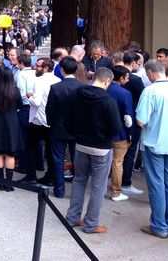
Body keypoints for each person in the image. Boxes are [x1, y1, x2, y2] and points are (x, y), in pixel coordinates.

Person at [65, 67, 122, 234]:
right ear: (107, 81)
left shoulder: (77, 94)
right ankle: (91, 223)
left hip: (81, 144)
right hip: (101, 148)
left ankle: (72, 217)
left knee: (79, 180)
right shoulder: (108, 100)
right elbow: (116, 127)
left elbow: (69, 118)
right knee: (98, 186)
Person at [135, 60, 168, 239]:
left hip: (154, 143)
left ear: (151, 73)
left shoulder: (150, 91)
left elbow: (140, 120)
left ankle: (159, 225)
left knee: (156, 184)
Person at [46, 56, 82, 198]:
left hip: (58, 127)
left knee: (58, 159)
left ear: (62, 70)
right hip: (77, 128)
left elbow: (49, 109)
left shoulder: (56, 88)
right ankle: (77, 191)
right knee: (77, 160)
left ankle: (59, 189)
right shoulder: (82, 87)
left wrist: (50, 122)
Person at [23, 58, 59, 186]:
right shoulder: (57, 80)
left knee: (31, 148)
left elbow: (36, 102)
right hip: (51, 120)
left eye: (38, 66)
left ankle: (31, 176)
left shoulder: (39, 81)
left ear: (45, 68)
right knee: (50, 150)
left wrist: (29, 96)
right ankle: (50, 176)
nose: (35, 68)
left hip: (38, 119)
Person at [106, 66, 135, 202]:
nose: (128, 79)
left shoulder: (105, 89)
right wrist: (130, 134)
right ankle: (116, 192)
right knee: (118, 162)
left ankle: (102, 188)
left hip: (103, 131)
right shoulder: (125, 93)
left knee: (104, 162)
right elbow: (128, 118)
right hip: (120, 133)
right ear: (122, 78)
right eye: (127, 77)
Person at [121, 51, 146, 196]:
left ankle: (118, 179)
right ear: (134, 63)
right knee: (130, 152)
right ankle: (125, 182)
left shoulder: (114, 74)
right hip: (133, 118)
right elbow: (143, 98)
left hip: (119, 117)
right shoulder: (135, 80)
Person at [15, 53, 36, 175]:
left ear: (21, 63)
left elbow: (20, 92)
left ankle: (23, 165)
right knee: (32, 137)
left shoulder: (21, 74)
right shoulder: (34, 73)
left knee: (23, 137)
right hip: (33, 106)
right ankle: (35, 164)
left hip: (25, 106)